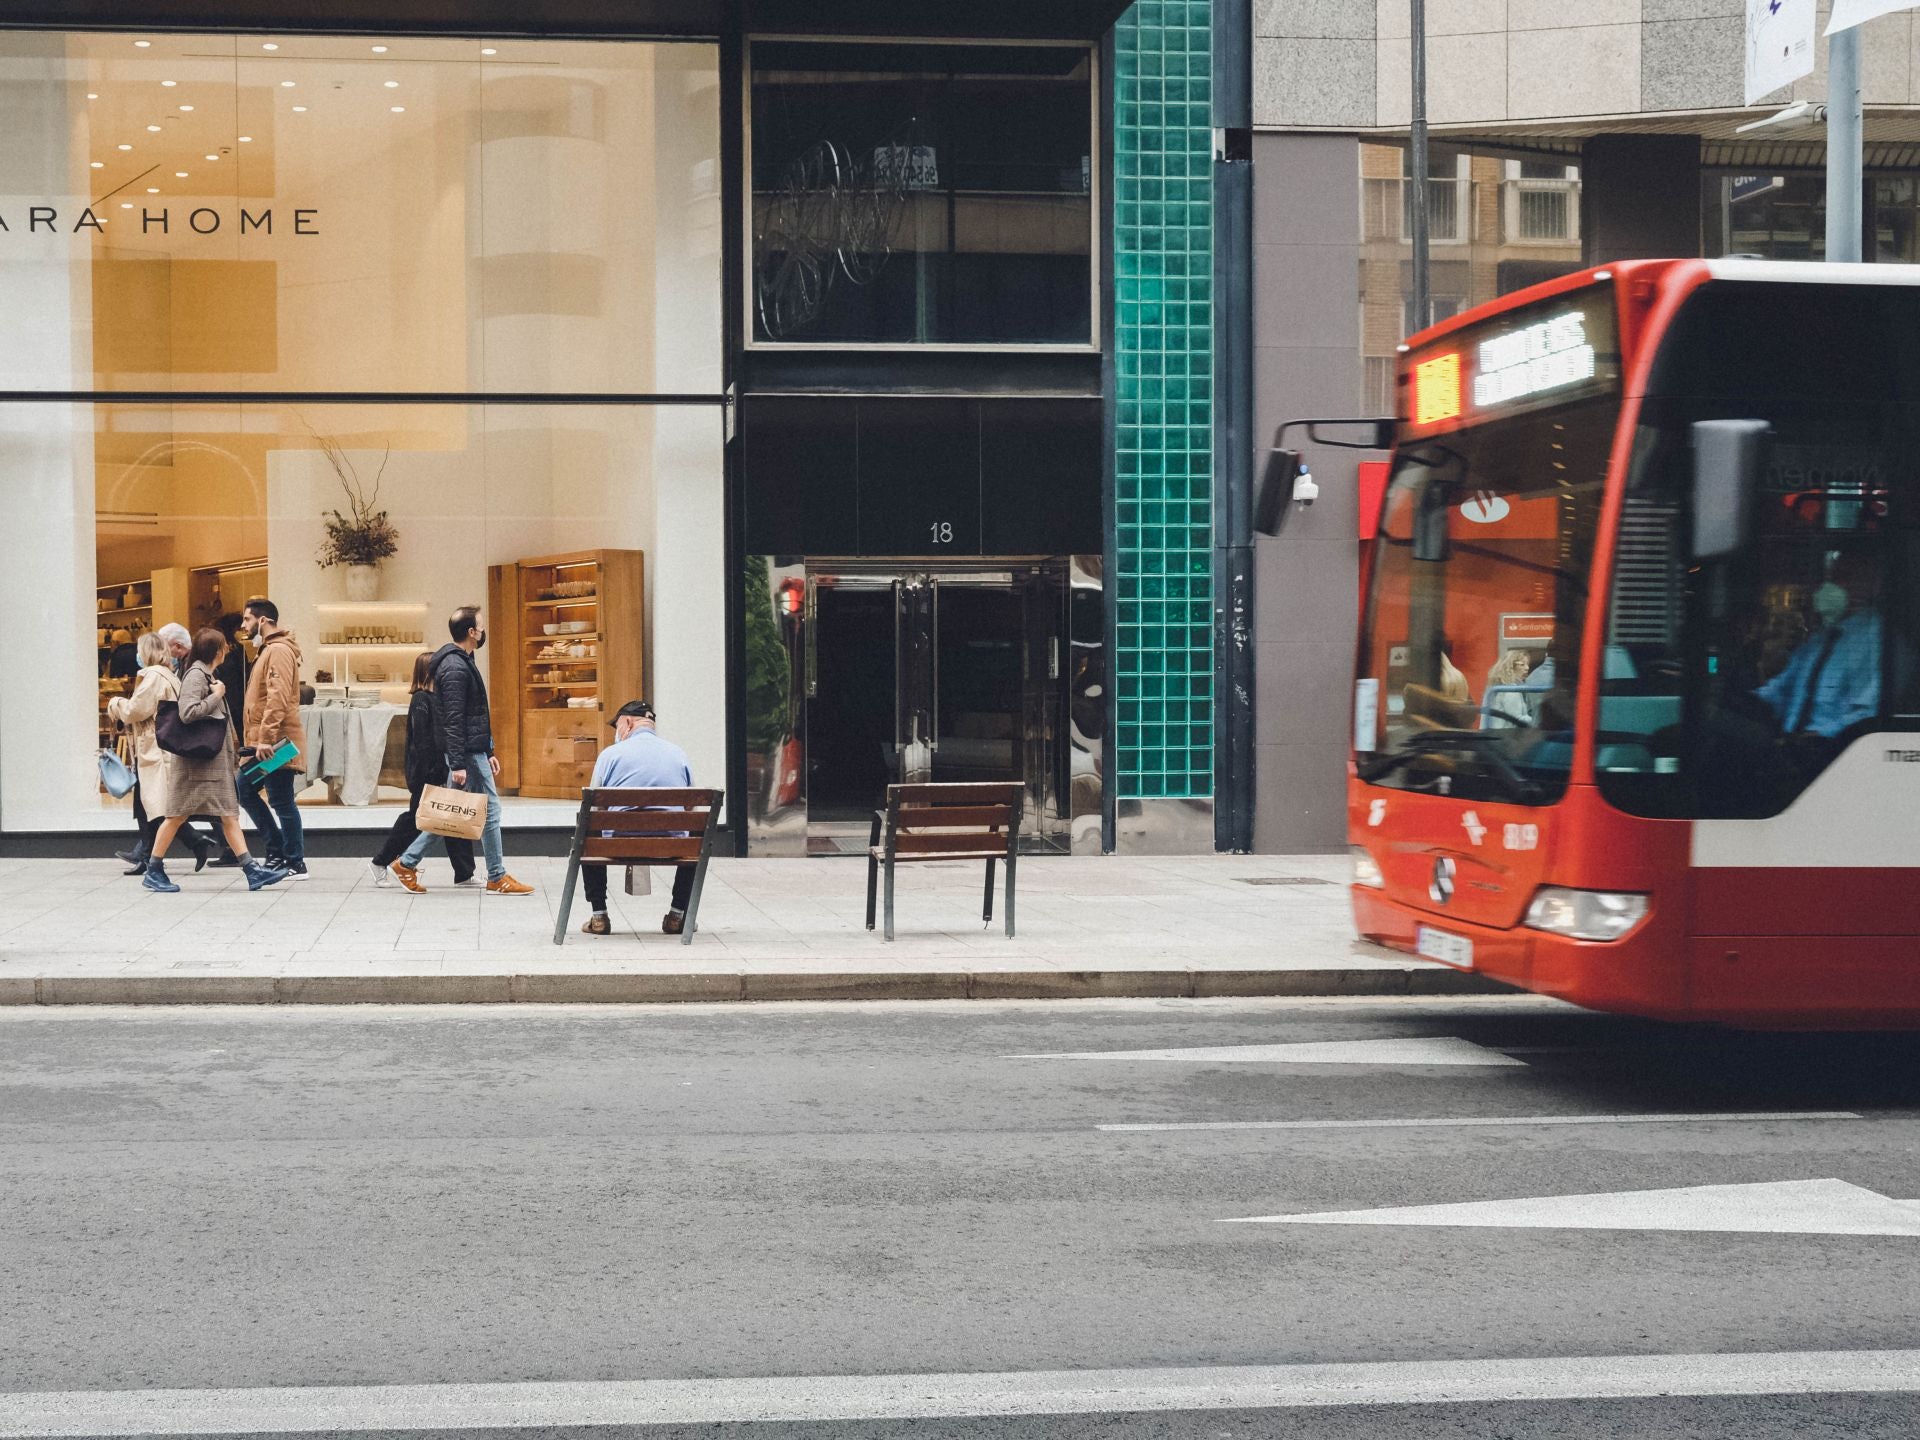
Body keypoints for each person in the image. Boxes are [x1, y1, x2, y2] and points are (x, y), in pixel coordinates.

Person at [395, 605, 533, 895]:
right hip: (467, 754)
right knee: (491, 810)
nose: (483, 631)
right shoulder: (456, 667)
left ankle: (406, 863)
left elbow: (473, 715)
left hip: (473, 751)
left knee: (450, 814)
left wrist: (490, 750)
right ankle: (497, 876)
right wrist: (458, 762)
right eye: (480, 626)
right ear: (471, 632)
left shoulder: (460, 662)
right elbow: (454, 720)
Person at [142, 628, 286, 895]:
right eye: (224, 647)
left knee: (228, 815)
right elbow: (187, 713)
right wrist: (216, 696)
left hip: (209, 765)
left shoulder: (204, 674)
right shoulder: (197, 675)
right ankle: (153, 869)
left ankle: (251, 870)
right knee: (176, 816)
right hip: (198, 766)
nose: (227, 651)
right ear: (216, 651)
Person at [577, 699, 698, 937]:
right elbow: (690, 805)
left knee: (588, 828)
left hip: (617, 846)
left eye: (617, 726)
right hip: (672, 846)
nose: (617, 733)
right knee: (695, 835)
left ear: (628, 723)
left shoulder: (610, 755)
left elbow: (593, 805)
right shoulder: (678, 754)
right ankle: (677, 915)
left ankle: (599, 915)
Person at [106, 632, 210, 877]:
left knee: (156, 807)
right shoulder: (170, 676)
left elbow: (134, 711)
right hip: (162, 749)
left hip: (155, 750)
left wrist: (115, 703)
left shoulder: (153, 676)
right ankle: (159, 854)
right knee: (152, 806)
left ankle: (163, 855)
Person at [372, 652, 476, 891]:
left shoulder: (433, 699)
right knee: (417, 820)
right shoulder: (422, 699)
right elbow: (423, 741)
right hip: (427, 772)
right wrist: (435, 770)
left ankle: (464, 872)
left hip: (436, 769)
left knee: (451, 817)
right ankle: (381, 861)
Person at [1755, 550, 1884, 740]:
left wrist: (1819, 735)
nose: (1831, 587)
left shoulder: (1875, 640)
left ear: (1872, 585)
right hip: (1790, 743)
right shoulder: (1822, 637)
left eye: (1843, 578)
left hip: (1831, 750)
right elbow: (1782, 689)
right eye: (1831, 578)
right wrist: (1751, 699)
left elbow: (1868, 713)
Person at [236, 597, 310, 879]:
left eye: (247, 619)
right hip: (267, 742)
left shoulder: (277, 651)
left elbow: (277, 698)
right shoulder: (269, 650)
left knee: (279, 798)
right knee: (245, 788)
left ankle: (293, 860)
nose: (244, 625)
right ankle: (280, 854)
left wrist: (265, 738)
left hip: (276, 743)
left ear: (262, 621)